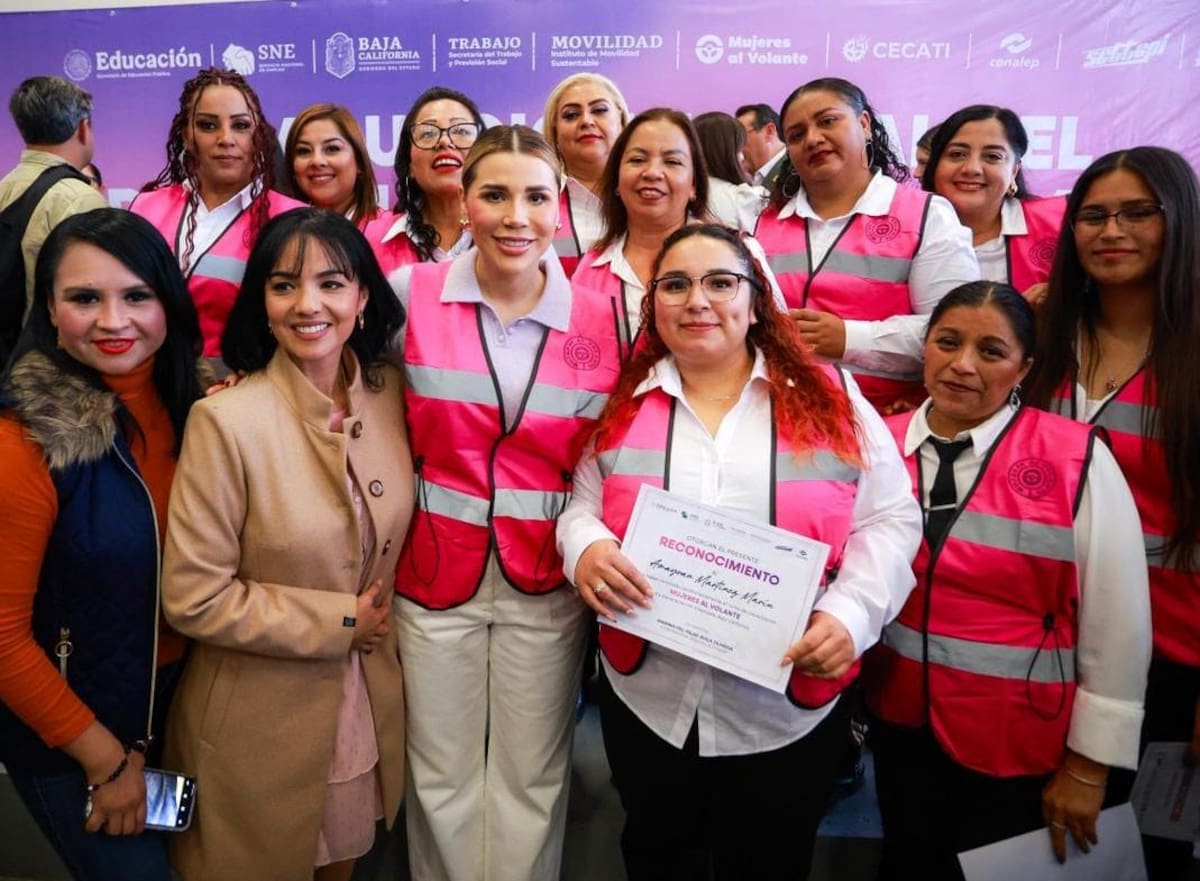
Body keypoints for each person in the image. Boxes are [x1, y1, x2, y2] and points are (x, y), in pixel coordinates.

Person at [558, 223, 921, 880]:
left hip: (782, 711)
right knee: (655, 856)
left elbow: (892, 518)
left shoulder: (835, 399)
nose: (697, 300)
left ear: (755, 301)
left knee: (769, 864)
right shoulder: (622, 402)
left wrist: (852, 613)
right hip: (649, 699)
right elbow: (583, 503)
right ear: (654, 305)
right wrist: (585, 547)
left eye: (720, 282)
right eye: (676, 284)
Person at [390, 125, 621, 881]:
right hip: (431, 574)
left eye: (535, 196)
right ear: (464, 201)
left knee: (530, 780)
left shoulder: (604, 315)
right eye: (494, 195)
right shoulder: (410, 293)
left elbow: (608, 457)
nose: (515, 216)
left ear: (562, 208)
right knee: (441, 776)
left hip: (546, 579)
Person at [863, 280, 1150, 879]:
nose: (962, 365)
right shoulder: (876, 448)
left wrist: (1088, 766)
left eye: (991, 352)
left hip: (1020, 744)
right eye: (947, 342)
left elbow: (1117, 625)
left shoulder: (1075, 459)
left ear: (1026, 366)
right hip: (901, 729)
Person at [160, 208, 410, 881]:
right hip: (254, 724)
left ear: (362, 297)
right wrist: (340, 619)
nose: (308, 305)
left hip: (362, 707)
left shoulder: (389, 397)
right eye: (284, 285)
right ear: (261, 303)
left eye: (332, 284)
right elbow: (192, 596)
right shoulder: (225, 418)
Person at [0, 207, 204, 881]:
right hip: (77, 741)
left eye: (136, 295)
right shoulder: (25, 438)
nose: (114, 321)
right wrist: (105, 760)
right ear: (50, 310)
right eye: (85, 297)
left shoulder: (200, 413)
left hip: (180, 718)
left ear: (168, 303)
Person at [1024, 146, 1200, 881]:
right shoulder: (1042, 335)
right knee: (1036, 846)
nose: (1110, 231)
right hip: (1042, 643)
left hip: (1172, 656)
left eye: (1136, 213)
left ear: (1180, 221)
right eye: (1092, 215)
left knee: (1141, 854)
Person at [754, 77, 979, 412]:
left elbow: (959, 331)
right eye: (797, 135)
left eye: (828, 121)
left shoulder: (926, 215)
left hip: (887, 423)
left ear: (865, 124)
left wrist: (850, 338)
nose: (813, 139)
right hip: (777, 421)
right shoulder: (763, 223)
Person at [130, 67, 303, 362]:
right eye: (208, 126)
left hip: (244, 392)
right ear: (187, 135)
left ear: (258, 135)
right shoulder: (145, 208)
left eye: (240, 126)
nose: (226, 138)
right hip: (149, 388)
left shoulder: (292, 219)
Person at [571, 108, 711, 358]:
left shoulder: (737, 254)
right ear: (615, 181)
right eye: (637, 160)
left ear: (694, 185)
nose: (652, 173)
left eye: (672, 162)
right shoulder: (590, 270)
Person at [0, 76, 107, 346]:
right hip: (49, 361)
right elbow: (90, 298)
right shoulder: (79, 198)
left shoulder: (5, 187)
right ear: (83, 129)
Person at [923, 106, 1065, 305]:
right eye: (957, 154)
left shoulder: (1057, 227)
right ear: (935, 165)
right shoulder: (905, 229)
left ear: (1014, 171)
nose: (971, 168)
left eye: (992, 157)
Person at [363, 86, 485, 278]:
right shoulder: (376, 239)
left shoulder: (505, 229)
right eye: (428, 133)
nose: (444, 141)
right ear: (409, 165)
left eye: (461, 130)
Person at [541, 72, 630, 273]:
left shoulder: (650, 192)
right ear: (555, 132)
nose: (586, 121)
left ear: (622, 123)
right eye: (571, 115)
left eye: (599, 110)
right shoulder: (536, 200)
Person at [283, 103, 378, 227]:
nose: (317, 161)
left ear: (359, 161)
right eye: (304, 151)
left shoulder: (392, 234)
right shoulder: (280, 234)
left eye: (332, 149)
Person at [694, 110, 766, 232]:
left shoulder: (682, 196)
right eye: (738, 149)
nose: (742, 157)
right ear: (725, 152)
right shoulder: (744, 199)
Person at [735, 102, 787, 190]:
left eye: (741, 136)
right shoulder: (753, 179)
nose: (737, 146)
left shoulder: (793, 170)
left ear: (769, 131)